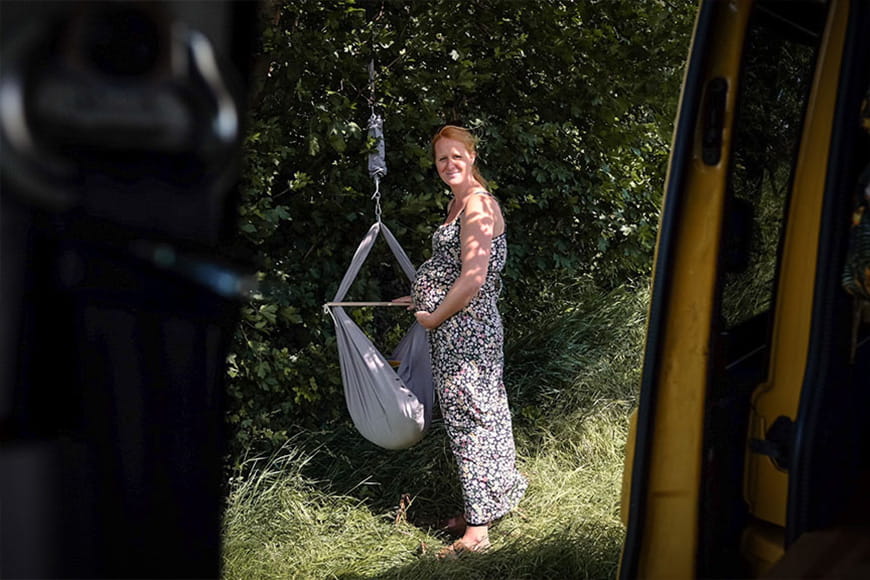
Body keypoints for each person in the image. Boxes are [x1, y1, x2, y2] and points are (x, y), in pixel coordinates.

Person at [394, 125, 527, 558]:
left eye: (456, 156)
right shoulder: (456, 204)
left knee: (474, 422)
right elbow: (452, 271)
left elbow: (473, 279)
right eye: (440, 159)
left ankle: (476, 535)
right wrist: (416, 296)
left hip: (466, 332)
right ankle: (485, 507)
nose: (448, 165)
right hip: (457, 328)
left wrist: (432, 316)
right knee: (479, 417)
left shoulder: (477, 206)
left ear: (472, 156)